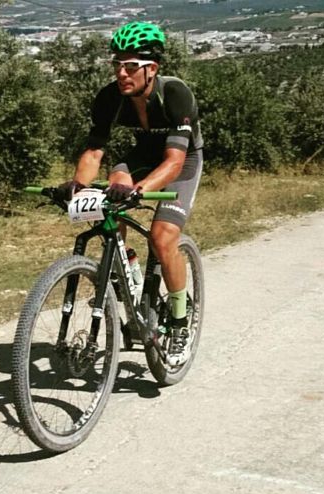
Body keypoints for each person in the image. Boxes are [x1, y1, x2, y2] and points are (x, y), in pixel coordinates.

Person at [58, 21, 204, 366]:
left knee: (163, 237)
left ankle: (179, 321)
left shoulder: (175, 94)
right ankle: (128, 267)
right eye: (117, 64)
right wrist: (77, 187)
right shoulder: (109, 98)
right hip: (143, 155)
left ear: (152, 68)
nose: (121, 73)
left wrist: (139, 191)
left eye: (131, 66)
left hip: (181, 159)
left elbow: (174, 161)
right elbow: (94, 151)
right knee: (111, 192)